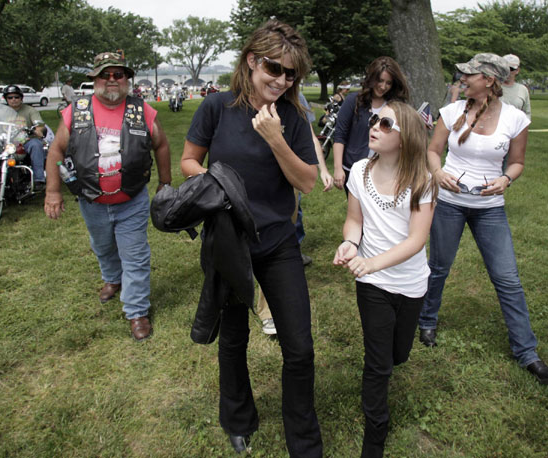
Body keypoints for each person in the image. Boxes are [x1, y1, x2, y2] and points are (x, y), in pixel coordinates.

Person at [181, 19, 323, 456]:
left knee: (299, 347)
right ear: (251, 61)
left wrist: (276, 139)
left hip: (278, 241)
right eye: (273, 68)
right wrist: (215, 186)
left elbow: (307, 183)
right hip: (228, 241)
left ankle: (303, 440)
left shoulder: (294, 117)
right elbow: (189, 160)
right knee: (234, 338)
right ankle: (238, 419)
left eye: (291, 74)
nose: (281, 80)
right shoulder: (216, 108)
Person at [417, 53, 548, 385]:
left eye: (471, 75)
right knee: (438, 267)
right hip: (450, 202)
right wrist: (437, 173)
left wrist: (506, 179)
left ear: (490, 81)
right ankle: (427, 320)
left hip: (490, 208)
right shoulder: (452, 111)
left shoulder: (514, 119)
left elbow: (517, 162)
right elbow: (432, 150)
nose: (463, 78)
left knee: (507, 279)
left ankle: (527, 353)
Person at [44, 52, 172, 341]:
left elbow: (161, 145)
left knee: (135, 255)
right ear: (95, 78)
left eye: (119, 74)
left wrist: (165, 183)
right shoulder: (76, 111)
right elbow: (56, 151)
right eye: (106, 74)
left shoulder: (143, 110)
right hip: (91, 201)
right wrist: (53, 191)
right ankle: (113, 279)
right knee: (102, 246)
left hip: (132, 199)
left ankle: (137, 310)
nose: (112, 80)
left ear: (126, 79)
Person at [334, 101, 436, 457]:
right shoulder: (359, 170)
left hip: (409, 284)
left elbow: (416, 240)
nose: (374, 125)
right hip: (372, 285)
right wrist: (350, 243)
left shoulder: (422, 180)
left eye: (386, 123)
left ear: (406, 137)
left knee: (398, 355)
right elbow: (355, 221)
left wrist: (374, 263)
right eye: (375, 119)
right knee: (378, 363)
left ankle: (391, 359)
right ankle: (375, 435)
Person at [258, 92, 333, 336]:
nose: (281, 79)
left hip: (285, 187)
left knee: (276, 248)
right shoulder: (236, 100)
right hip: (246, 188)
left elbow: (310, 137)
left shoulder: (295, 99)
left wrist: (322, 168)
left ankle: (269, 311)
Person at [332, 57, 410, 193]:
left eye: (388, 83)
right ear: (372, 78)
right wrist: (338, 168)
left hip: (385, 170)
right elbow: (339, 135)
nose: (383, 86)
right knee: (356, 211)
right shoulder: (353, 101)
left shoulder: (396, 106)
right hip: (353, 168)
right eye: (380, 80)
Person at [3, 84, 47, 190]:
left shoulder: (30, 110)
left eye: (16, 97)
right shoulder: (1, 111)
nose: (13, 99)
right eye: (10, 97)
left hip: (26, 140)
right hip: (6, 142)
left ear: (21, 98)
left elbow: (39, 124)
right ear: (6, 99)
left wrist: (38, 129)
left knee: (36, 145)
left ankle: (39, 179)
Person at [501, 54, 531, 120]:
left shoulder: (523, 89)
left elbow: (527, 113)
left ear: (517, 70)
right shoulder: (492, 87)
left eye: (511, 69)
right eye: (505, 68)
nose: (507, 71)